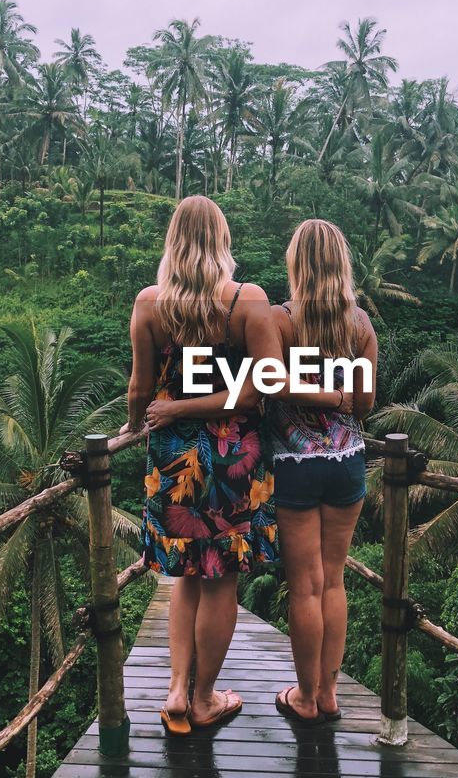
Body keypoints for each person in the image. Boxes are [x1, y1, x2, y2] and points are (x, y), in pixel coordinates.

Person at [125, 196, 281, 734]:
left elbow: (141, 391)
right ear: (221, 240)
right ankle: (205, 698)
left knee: (184, 580)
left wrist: (136, 427)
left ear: (172, 241)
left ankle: (175, 691)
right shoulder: (246, 302)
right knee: (221, 581)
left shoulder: (150, 304)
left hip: (172, 457)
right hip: (233, 454)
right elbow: (264, 385)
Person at [269, 219, 378, 724]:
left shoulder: (283, 319)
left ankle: (305, 698)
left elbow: (270, 382)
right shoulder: (360, 325)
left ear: (297, 264)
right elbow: (365, 403)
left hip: (294, 462)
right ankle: (330, 694)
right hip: (348, 460)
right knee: (334, 581)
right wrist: (339, 396)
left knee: (305, 586)